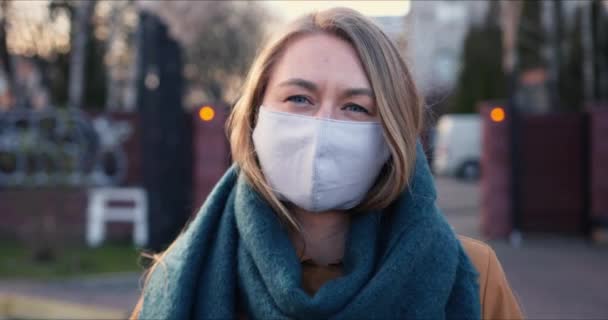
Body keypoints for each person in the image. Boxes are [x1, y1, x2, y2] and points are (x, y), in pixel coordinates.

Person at [130, 7, 523, 320]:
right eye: (299, 98)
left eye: (355, 107)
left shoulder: (470, 275)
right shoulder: (183, 274)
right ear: (254, 118)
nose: (322, 128)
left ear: (392, 136)